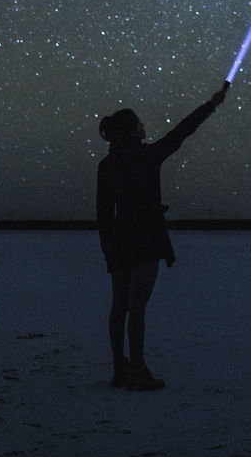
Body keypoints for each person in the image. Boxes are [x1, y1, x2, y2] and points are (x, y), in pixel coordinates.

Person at [96, 80, 230, 390]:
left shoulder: (107, 165)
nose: (145, 127)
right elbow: (182, 131)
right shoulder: (147, 156)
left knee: (119, 306)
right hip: (144, 240)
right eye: (140, 124)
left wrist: (107, 247)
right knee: (137, 308)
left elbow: (103, 213)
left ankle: (121, 368)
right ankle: (138, 370)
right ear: (132, 130)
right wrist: (211, 104)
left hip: (119, 241)